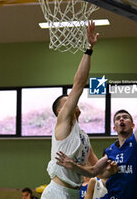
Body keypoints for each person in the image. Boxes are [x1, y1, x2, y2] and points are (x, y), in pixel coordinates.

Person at [56, 56, 137, 199]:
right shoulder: (110, 151)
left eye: (125, 117)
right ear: (114, 128)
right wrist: (73, 166)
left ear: (132, 125)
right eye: (117, 118)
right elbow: (93, 170)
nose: (121, 119)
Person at [41, 21, 117, 199]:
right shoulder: (63, 124)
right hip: (57, 192)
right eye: (67, 101)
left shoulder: (83, 137)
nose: (73, 102)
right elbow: (79, 84)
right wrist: (89, 49)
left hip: (74, 193)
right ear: (61, 112)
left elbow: (94, 172)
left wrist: (111, 167)